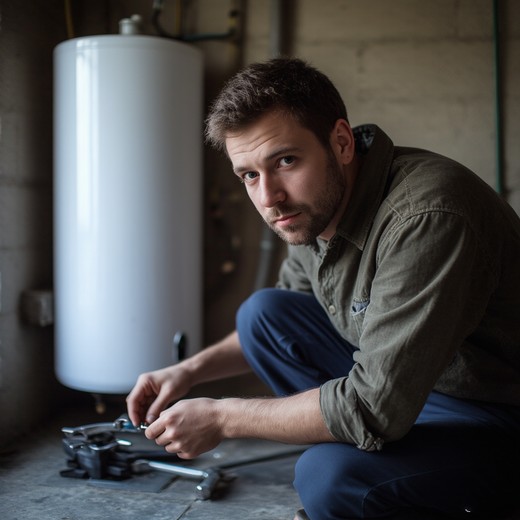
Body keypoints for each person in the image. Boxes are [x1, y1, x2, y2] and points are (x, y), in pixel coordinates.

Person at [126, 58, 520, 520]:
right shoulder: (315, 211)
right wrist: (190, 371)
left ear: (341, 142)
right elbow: (287, 317)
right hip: (415, 391)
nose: (269, 197)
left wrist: (222, 417)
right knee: (264, 314)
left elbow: (374, 405)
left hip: (495, 418)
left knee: (328, 477)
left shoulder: (427, 217)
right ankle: (381, 470)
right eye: (250, 175)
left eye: (286, 161)